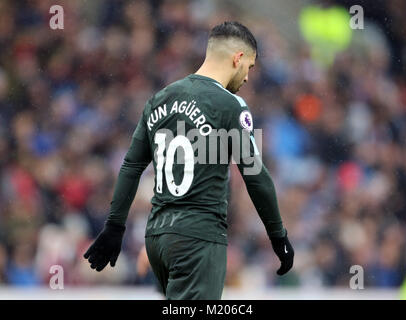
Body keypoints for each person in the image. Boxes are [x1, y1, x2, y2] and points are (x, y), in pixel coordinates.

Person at [83, 21, 294, 300]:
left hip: (158, 238)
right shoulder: (230, 105)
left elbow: (132, 165)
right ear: (237, 58)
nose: (246, 78)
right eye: (250, 68)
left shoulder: (160, 99)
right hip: (198, 239)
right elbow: (255, 175)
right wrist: (278, 237)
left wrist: (115, 226)